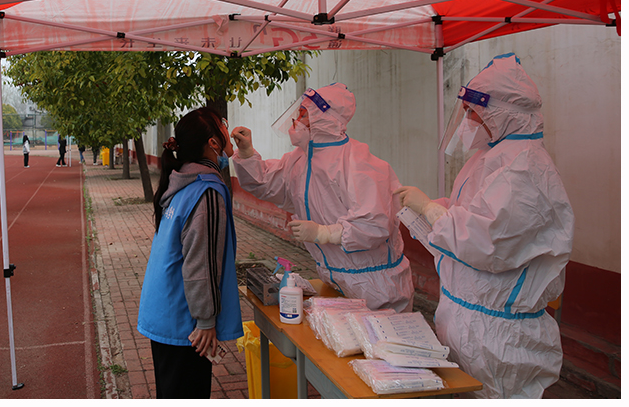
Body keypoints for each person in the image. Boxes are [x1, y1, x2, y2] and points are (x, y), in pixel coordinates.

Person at [395, 53, 574, 399]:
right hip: (468, 319)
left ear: (503, 114)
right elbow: (472, 212)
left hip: (499, 337)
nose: (467, 121)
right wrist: (432, 210)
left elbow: (486, 241)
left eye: (472, 112)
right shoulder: (492, 156)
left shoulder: (525, 169)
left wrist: (431, 210)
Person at [231, 83, 414, 313]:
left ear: (323, 117)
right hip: (334, 280)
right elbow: (268, 184)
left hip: (376, 287)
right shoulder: (300, 159)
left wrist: (323, 233)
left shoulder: (360, 163)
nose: (296, 120)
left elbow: (374, 225)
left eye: (304, 114)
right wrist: (247, 153)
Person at [137, 107, 243, 399]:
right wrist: (206, 321)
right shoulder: (205, 191)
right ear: (212, 143)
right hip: (187, 325)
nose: (228, 128)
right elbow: (201, 262)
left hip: (166, 314)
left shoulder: (181, 182)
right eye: (223, 126)